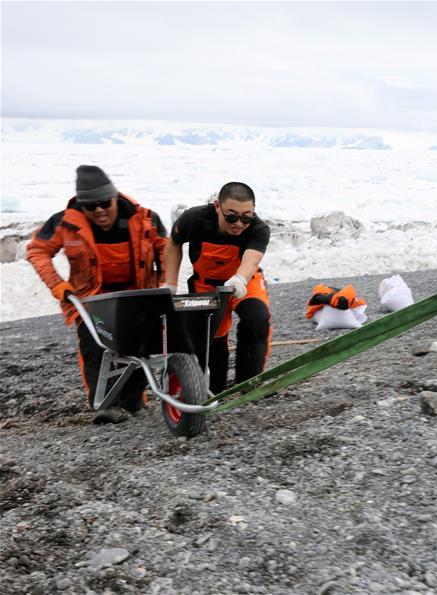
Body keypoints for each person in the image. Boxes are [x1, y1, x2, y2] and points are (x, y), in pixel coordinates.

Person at [27, 165, 168, 422]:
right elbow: (37, 251)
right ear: (82, 206)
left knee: (142, 346)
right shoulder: (64, 223)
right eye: (91, 206)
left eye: (105, 203)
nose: (100, 210)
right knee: (96, 347)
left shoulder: (146, 219)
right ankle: (105, 405)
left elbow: (166, 250)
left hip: (136, 294)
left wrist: (165, 280)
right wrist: (58, 285)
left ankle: (133, 400)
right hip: (92, 299)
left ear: (114, 197)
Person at [164, 182, 272, 393]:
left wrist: (239, 279)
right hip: (206, 285)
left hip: (244, 281)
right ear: (217, 207)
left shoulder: (259, 229)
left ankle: (249, 382)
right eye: (231, 216)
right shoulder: (194, 219)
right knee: (211, 340)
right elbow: (173, 243)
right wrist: (170, 284)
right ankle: (214, 389)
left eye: (246, 217)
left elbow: (251, 260)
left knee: (257, 318)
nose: (239, 224)